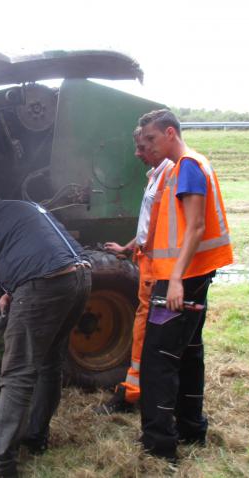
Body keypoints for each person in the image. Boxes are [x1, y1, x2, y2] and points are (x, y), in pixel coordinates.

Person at [0, 193, 92, 478]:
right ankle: (36, 437)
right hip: (80, 279)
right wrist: (10, 292)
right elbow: (34, 247)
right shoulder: (27, 207)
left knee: (17, 375)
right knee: (49, 364)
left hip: (45, 284)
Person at [138, 109, 233, 461]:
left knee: (158, 358)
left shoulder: (189, 167)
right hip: (193, 274)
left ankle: (160, 445)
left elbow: (194, 227)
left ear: (170, 133)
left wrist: (175, 279)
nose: (146, 146)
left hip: (182, 279)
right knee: (190, 352)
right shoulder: (190, 164)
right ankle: (192, 429)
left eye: (151, 139)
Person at [96, 127, 174, 414]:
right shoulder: (155, 175)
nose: (138, 153)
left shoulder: (171, 175)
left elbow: (170, 229)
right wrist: (128, 248)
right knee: (142, 330)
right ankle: (136, 389)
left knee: (152, 333)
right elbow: (148, 226)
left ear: (167, 137)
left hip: (161, 271)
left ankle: (137, 395)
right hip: (148, 265)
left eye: (144, 146)